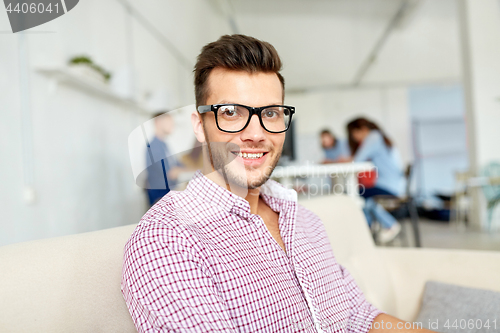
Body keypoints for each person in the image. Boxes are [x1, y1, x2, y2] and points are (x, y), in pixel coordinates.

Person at [122, 34, 434, 332]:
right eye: (230, 112)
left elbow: (359, 318)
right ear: (200, 127)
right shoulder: (169, 239)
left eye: (270, 113)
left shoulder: (306, 222)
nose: (256, 133)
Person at [347, 117, 404, 244]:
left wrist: (341, 160)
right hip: (394, 185)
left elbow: (357, 160)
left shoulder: (373, 137)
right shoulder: (380, 137)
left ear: (362, 129)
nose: (354, 138)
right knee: (365, 200)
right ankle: (368, 231)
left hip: (389, 187)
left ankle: (389, 225)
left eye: (353, 134)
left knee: (358, 194)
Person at [145, 112, 184, 206]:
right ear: (158, 123)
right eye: (168, 122)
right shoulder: (154, 146)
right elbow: (170, 173)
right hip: (160, 197)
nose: (172, 125)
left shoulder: (164, 145)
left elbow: (177, 165)